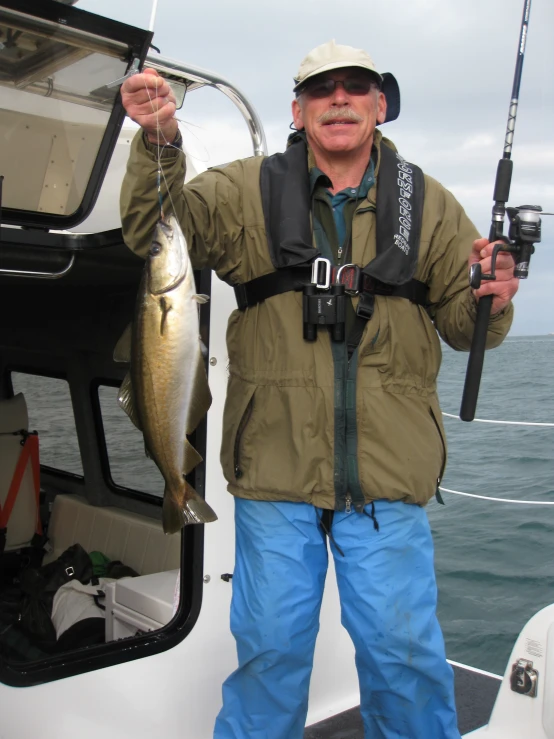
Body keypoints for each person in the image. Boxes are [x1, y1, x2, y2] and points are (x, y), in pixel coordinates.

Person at [119, 40, 518, 739]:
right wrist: (161, 141)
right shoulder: (244, 189)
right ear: (298, 110)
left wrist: (494, 296)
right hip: (275, 476)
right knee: (269, 657)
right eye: (322, 88)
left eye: (356, 87)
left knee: (407, 661)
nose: (340, 98)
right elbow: (156, 229)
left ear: (380, 105)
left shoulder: (428, 204)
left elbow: (465, 326)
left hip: (388, 483)